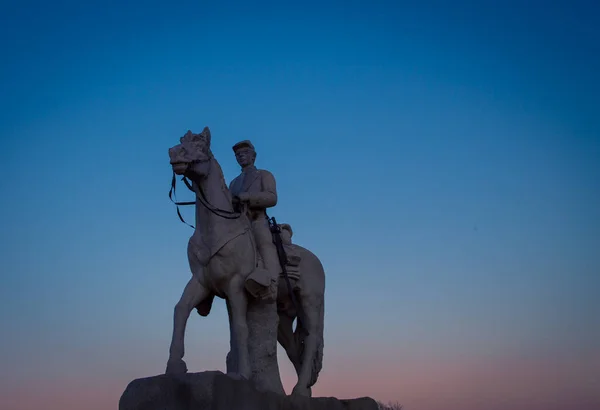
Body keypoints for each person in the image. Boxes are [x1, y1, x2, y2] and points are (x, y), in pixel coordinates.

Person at [229, 140, 280, 301]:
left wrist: (248, 197)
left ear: (253, 156)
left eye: (244, 153)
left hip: (257, 220)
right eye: (238, 155)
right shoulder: (233, 183)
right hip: (238, 224)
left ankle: (272, 283)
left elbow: (272, 198)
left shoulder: (264, 175)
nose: (241, 156)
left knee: (264, 243)